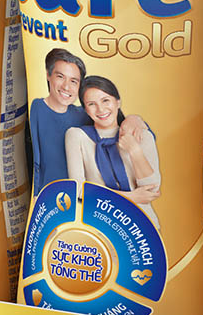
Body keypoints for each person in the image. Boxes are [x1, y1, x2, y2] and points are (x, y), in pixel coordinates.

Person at [28, 48, 148, 195]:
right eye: (60, 77)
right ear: (48, 75)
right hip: (48, 198)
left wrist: (134, 119)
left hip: (84, 199)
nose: (66, 86)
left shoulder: (85, 114)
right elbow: (34, 161)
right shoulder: (36, 108)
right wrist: (35, 195)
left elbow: (133, 132)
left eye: (74, 81)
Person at [64, 76, 161, 229]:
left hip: (143, 225)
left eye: (105, 101)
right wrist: (131, 197)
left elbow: (151, 189)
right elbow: (79, 190)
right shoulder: (77, 136)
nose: (101, 109)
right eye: (91, 104)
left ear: (118, 102)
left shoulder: (141, 134)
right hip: (99, 224)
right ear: (85, 109)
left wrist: (134, 150)